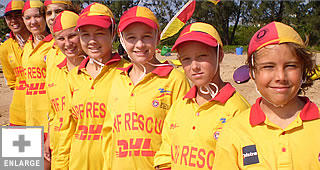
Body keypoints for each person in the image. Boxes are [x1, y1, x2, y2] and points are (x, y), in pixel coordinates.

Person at [213, 21, 320, 170]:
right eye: (268, 67)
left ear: (304, 69)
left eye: (291, 66)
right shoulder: (234, 132)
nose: (280, 77)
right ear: (252, 72)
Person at [102, 6, 190, 170]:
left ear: (157, 38)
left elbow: (182, 135)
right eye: (131, 37)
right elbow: (108, 135)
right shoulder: (117, 79)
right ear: (121, 39)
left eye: (147, 37)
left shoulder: (175, 79)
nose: (140, 44)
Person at [153, 22, 250, 170]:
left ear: (220, 55)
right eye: (186, 59)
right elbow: (165, 156)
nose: (194, 66)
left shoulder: (238, 109)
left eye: (202, 56)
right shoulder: (179, 107)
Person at [62, 3, 128, 169]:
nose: (92, 41)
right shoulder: (73, 76)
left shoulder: (128, 72)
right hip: (77, 164)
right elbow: (67, 129)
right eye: (85, 35)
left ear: (113, 33)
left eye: (99, 34)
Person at [45, 11, 84, 169]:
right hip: (59, 147)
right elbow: (53, 110)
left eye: (72, 36)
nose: (68, 43)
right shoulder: (54, 70)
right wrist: (48, 139)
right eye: (61, 38)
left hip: (83, 150)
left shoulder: (94, 71)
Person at [21, 1, 54, 169]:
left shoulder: (55, 44)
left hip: (49, 119)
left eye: (37, 16)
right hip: (30, 120)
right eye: (28, 17)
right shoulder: (26, 45)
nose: (32, 21)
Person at [0, 0, 30, 127]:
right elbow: (12, 82)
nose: (13, 20)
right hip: (18, 114)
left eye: (17, 15)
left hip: (43, 113)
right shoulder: (5, 47)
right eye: (9, 17)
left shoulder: (40, 42)